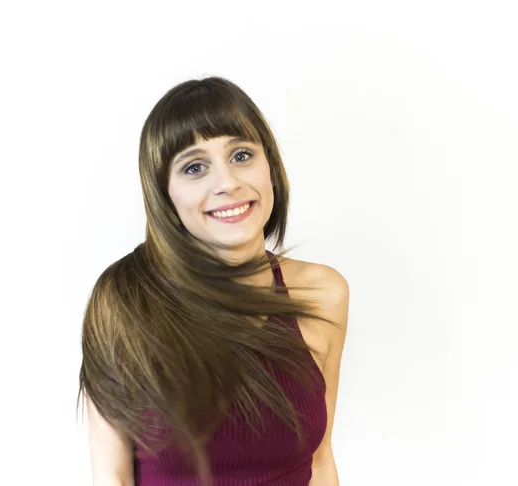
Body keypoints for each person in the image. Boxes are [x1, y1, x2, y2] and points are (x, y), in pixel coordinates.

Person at [77, 76, 349, 486]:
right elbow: (111, 477)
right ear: (164, 193)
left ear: (270, 166)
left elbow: (321, 458)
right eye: (194, 167)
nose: (227, 183)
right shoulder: (123, 301)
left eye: (241, 155)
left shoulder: (322, 293)